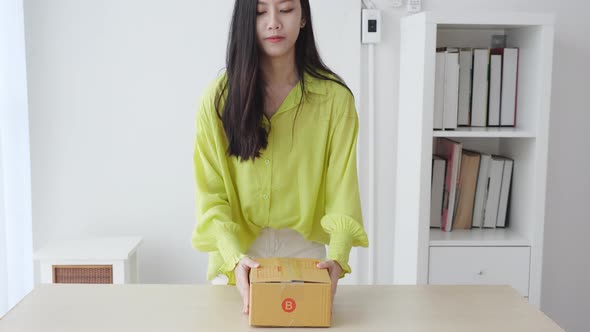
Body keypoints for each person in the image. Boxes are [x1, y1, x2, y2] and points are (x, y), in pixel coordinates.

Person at [191, 0, 368, 315]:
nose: (273, 22)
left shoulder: (335, 101)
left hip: (305, 252)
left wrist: (338, 258)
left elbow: (343, 190)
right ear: (246, 20)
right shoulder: (218, 100)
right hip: (237, 252)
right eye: (260, 12)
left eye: (285, 9)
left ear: (302, 18)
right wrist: (234, 259)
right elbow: (211, 195)